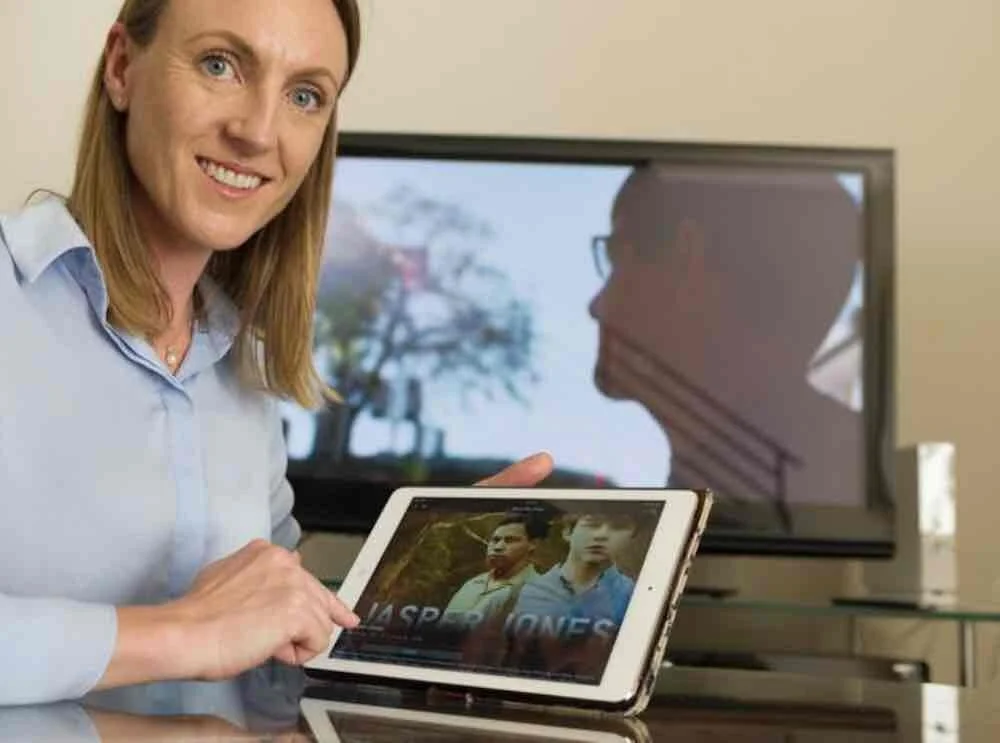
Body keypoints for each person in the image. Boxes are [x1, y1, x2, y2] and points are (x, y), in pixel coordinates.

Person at [0, 0, 553, 707]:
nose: (258, 132)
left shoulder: (244, 377)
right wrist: (177, 634)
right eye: (220, 64)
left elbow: (267, 682)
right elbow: (207, 641)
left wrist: (409, 592)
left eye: (304, 95)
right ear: (121, 67)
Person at [587, 163, 862, 513]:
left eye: (617, 258)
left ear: (687, 259)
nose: (595, 307)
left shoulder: (779, 502)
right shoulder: (850, 479)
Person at [503, 511, 637, 678]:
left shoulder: (634, 597)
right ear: (567, 532)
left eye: (618, 527)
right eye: (592, 524)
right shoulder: (524, 591)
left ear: (630, 537)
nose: (601, 535)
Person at [443, 513, 546, 623]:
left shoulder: (538, 593)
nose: (497, 547)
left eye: (510, 540)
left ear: (533, 544)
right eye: (495, 540)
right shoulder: (473, 583)